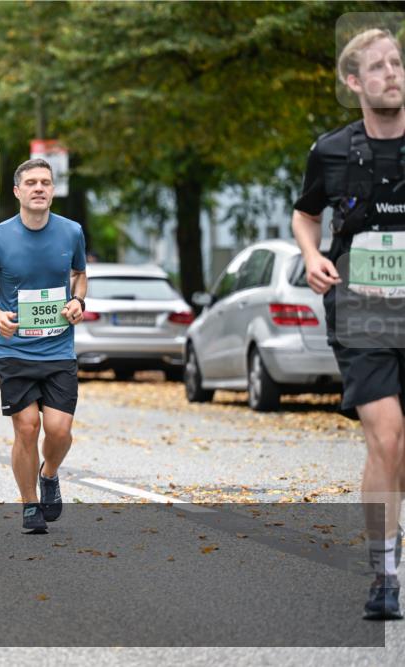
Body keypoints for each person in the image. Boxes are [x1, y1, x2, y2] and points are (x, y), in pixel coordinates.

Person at [291, 27, 405, 620]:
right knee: (385, 435)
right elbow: (306, 214)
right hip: (362, 309)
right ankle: (385, 572)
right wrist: (312, 257)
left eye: (397, 63)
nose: (392, 73)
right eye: (377, 67)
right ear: (354, 82)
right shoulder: (331, 150)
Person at [0, 158, 87, 535]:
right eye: (32, 183)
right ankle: (29, 503)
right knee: (26, 426)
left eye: (46, 183)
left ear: (53, 190)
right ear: (18, 191)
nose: (39, 188)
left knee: (59, 431)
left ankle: (48, 474)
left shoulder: (72, 232)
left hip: (58, 349)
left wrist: (78, 301)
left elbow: (80, 276)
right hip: (13, 349)